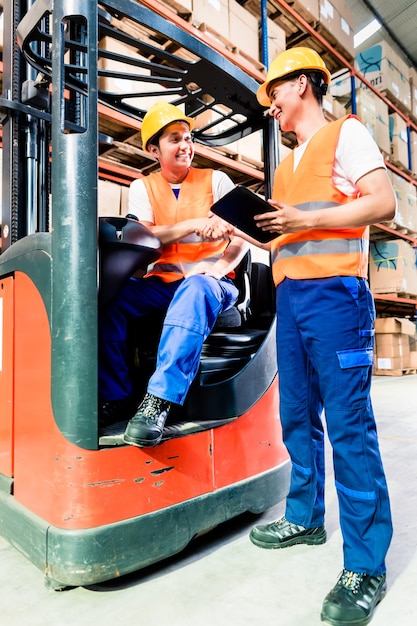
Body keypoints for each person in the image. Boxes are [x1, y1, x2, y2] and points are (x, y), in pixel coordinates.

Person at [242, 48, 395, 626]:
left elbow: (383, 202)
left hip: (337, 300)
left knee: (349, 428)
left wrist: (303, 220)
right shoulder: (287, 165)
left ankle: (366, 564)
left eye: (275, 94)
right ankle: (304, 517)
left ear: (302, 84)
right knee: (297, 417)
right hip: (293, 298)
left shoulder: (345, 134)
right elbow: (291, 234)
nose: (272, 107)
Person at [98, 102, 248, 447]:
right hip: (163, 285)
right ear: (154, 149)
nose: (186, 146)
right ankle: (116, 394)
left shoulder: (217, 180)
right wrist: (192, 225)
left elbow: (242, 240)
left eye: (189, 138)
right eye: (175, 139)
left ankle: (158, 401)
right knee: (109, 298)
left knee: (196, 286)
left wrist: (220, 268)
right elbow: (147, 237)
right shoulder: (143, 188)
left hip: (212, 283)